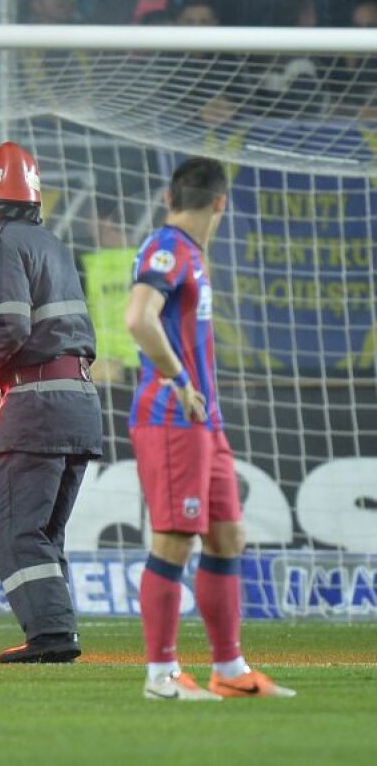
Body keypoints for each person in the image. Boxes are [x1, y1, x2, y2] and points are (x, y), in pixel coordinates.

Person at [124, 156, 295, 701]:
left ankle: (229, 668)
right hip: (173, 415)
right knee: (174, 539)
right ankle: (161, 676)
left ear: (169, 195)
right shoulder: (168, 248)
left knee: (227, 536)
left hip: (204, 419)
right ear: (221, 202)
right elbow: (137, 317)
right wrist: (176, 379)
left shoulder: (189, 255)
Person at [0, 142, 103, 664]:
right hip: (77, 403)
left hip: (36, 409)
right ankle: (58, 631)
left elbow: (7, 326)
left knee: (15, 532)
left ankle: (52, 636)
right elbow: (50, 335)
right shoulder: (50, 244)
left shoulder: (0, 243)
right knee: (44, 534)